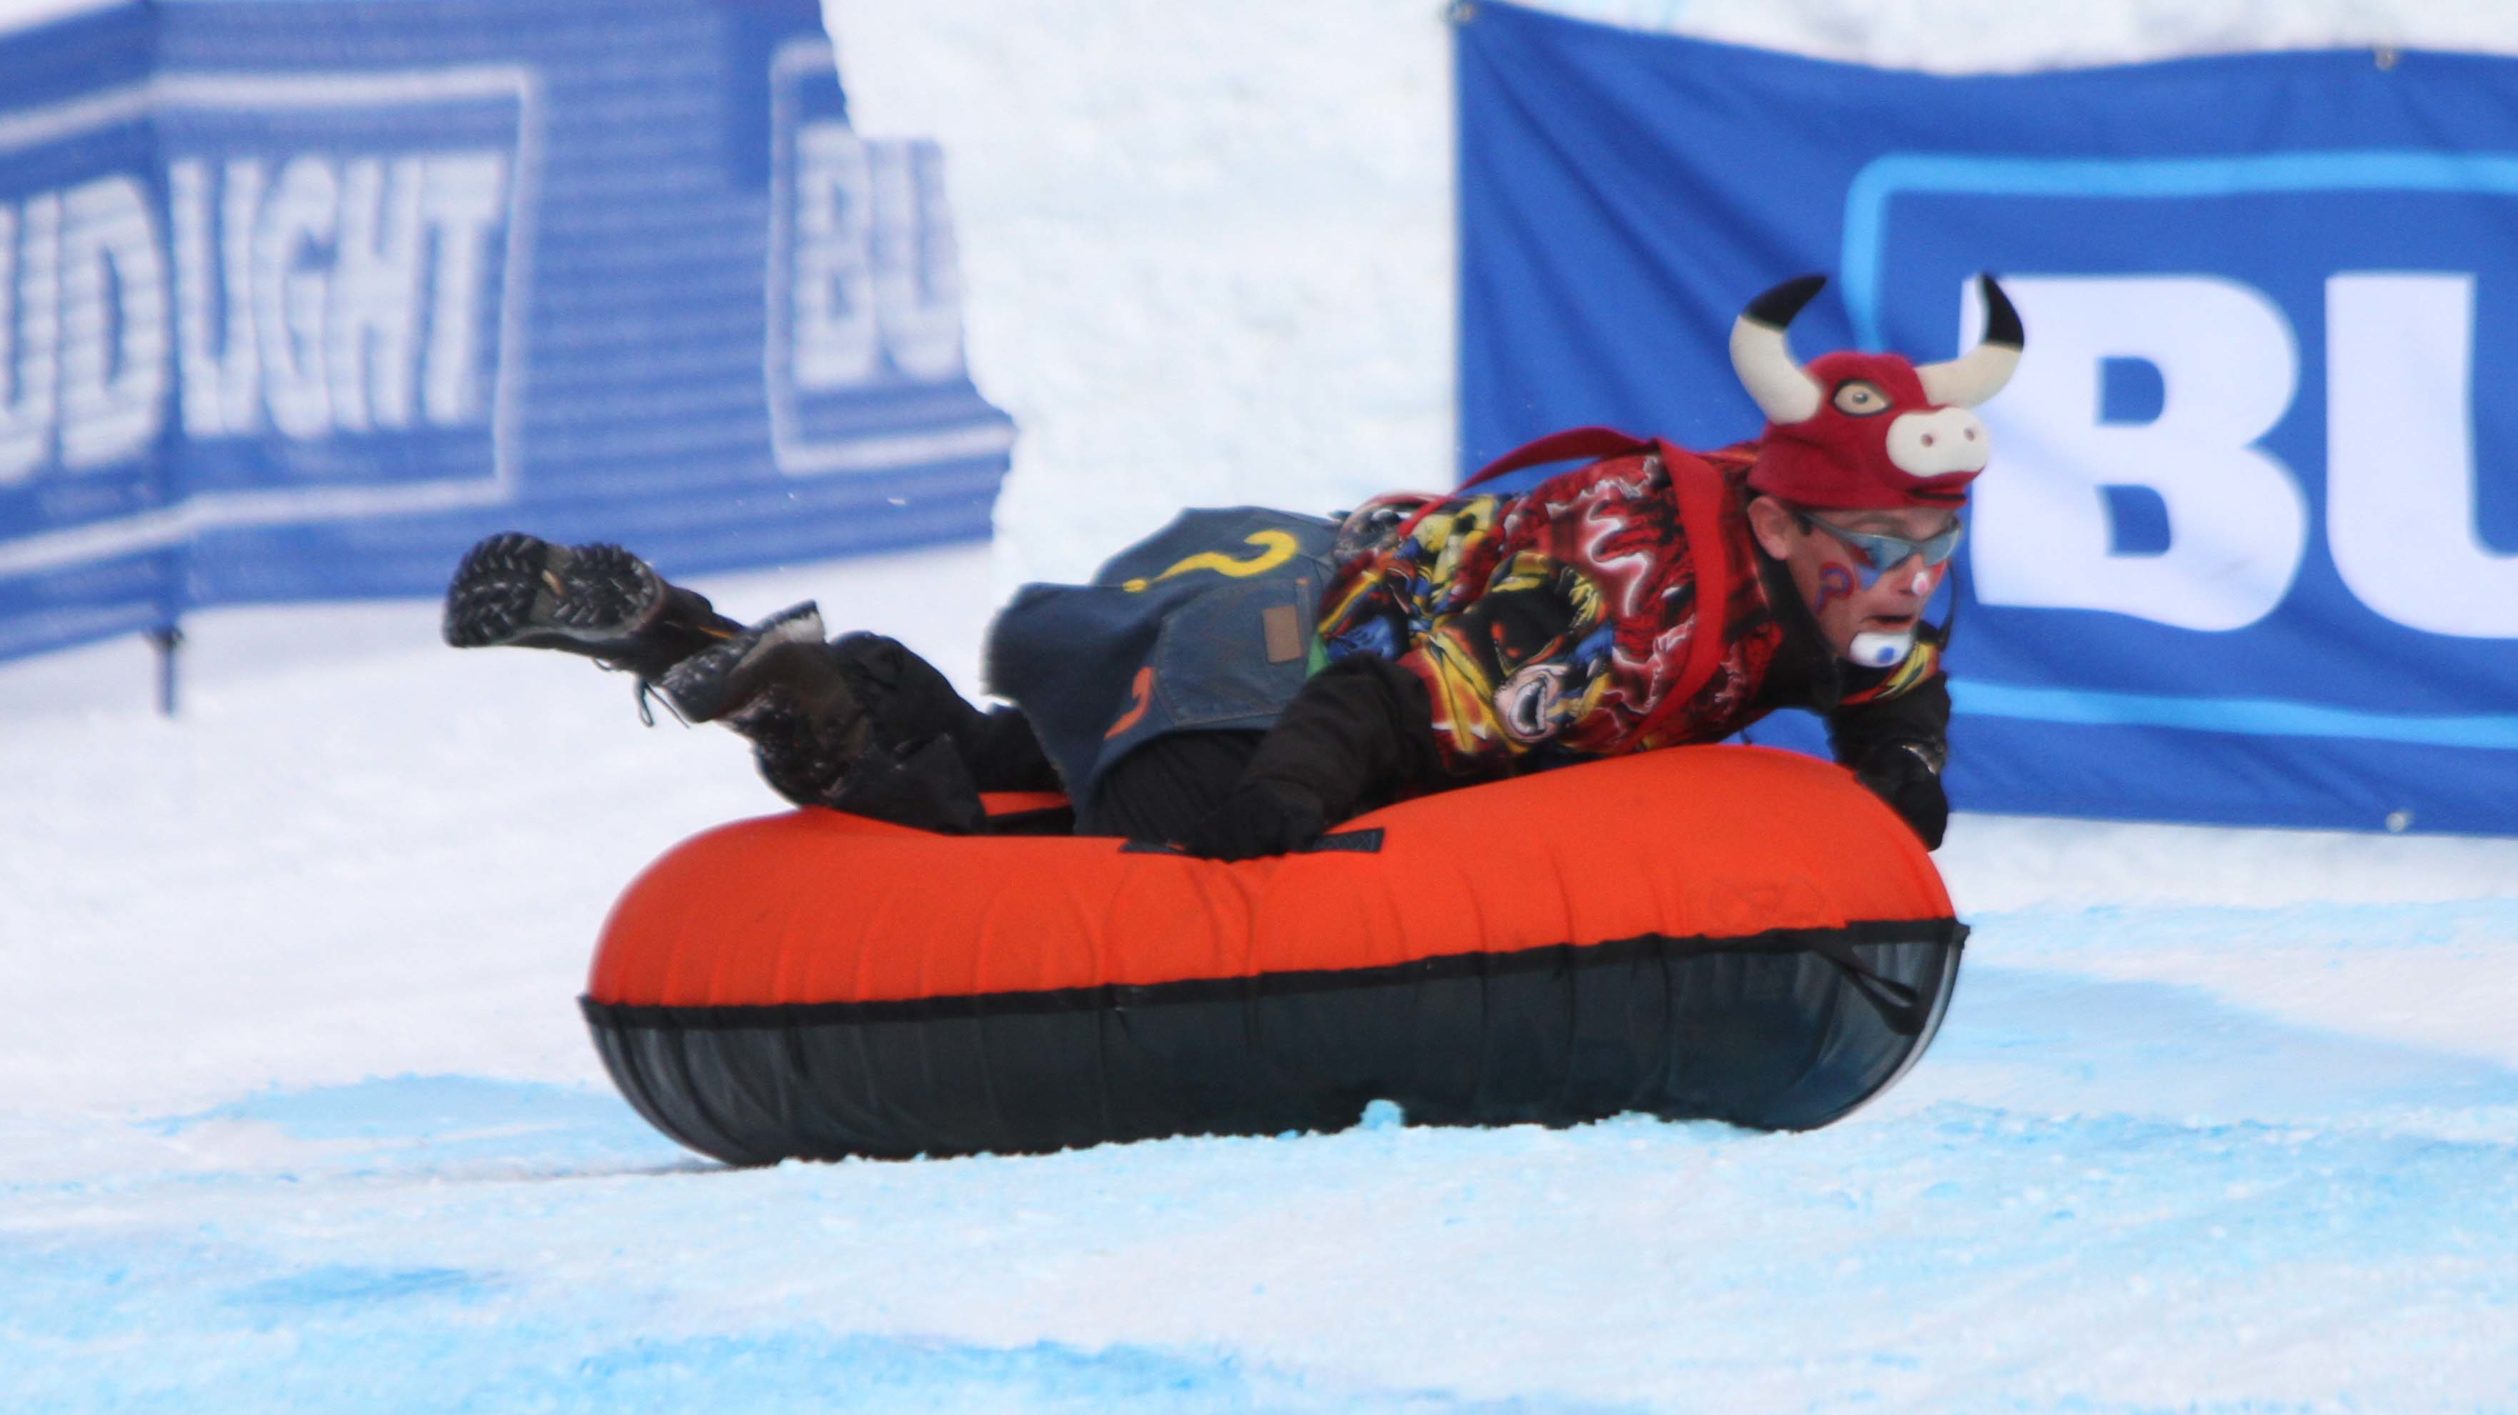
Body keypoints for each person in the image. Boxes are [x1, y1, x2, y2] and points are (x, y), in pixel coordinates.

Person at [444, 273, 2019, 857]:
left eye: (1931, 547)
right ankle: (792, 702)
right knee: (1044, 830)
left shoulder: (1831, 585)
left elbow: (1891, 682)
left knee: (1023, 765)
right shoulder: (1636, 607)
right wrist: (1280, 816)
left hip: (1315, 597)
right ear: (1780, 520)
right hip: (1273, 668)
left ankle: (690, 639)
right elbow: (1394, 701)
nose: (1906, 580)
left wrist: (1903, 776)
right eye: (1881, 546)